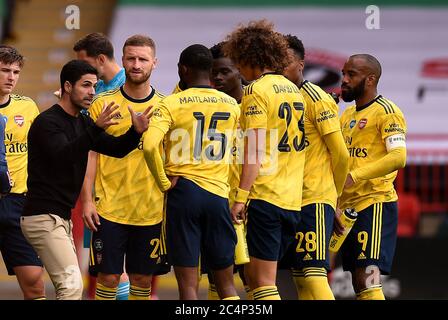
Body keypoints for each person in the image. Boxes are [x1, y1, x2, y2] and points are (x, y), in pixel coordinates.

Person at [20, 59, 151, 300]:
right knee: (71, 287)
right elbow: (63, 156)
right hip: (42, 217)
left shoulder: (82, 121)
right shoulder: (47, 122)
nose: (92, 91)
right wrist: (96, 129)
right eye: (86, 85)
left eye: (95, 86)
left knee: (69, 286)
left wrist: (135, 132)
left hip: (59, 217)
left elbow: (117, 149)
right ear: (68, 87)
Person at [143, 44, 240, 300]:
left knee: (188, 287)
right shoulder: (231, 104)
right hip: (218, 194)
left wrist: (163, 182)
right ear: (210, 70)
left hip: (183, 193)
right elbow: (241, 153)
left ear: (182, 70)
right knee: (227, 286)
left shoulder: (171, 103)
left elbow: (150, 146)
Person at [223, 20, 306, 300]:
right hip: (291, 199)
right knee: (255, 278)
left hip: (265, 197)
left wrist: (241, 197)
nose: (238, 69)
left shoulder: (256, 91)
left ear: (249, 58)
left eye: (238, 62)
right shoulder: (293, 90)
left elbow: (255, 149)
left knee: (262, 283)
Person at [83, 34, 166, 301]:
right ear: (122, 61)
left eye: (143, 59)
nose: (136, 64)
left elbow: (172, 159)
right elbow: (91, 156)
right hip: (108, 208)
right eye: (131, 58)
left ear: (155, 62)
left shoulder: (166, 107)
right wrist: (87, 201)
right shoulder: (102, 104)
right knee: (108, 278)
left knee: (142, 279)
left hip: (150, 210)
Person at [282, 34, 349, 300]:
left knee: (313, 272)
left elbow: (341, 155)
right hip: (287, 198)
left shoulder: (316, 98)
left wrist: (333, 199)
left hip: (314, 197)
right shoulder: (279, 96)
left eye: (285, 61)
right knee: (300, 276)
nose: (279, 67)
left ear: (301, 64)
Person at [337, 54, 407, 300]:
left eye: (351, 75)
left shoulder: (387, 111)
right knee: (358, 280)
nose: (344, 80)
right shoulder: (346, 116)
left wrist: (355, 176)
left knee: (368, 276)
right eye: (344, 73)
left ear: (370, 79)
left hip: (374, 202)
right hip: (347, 207)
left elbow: (398, 157)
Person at [74, 32, 129, 300]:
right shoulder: (98, 89)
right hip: (98, 187)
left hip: (123, 188)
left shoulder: (127, 89)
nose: (82, 70)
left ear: (100, 59)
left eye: (84, 63)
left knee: (118, 267)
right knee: (103, 264)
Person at [0, 45, 45, 300]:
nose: (11, 77)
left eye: (16, 71)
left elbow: (42, 150)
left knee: (35, 284)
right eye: (5, 70)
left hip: (18, 203)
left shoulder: (27, 107)